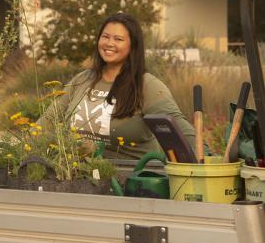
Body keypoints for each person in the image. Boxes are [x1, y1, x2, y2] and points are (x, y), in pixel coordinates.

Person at [40, 12, 195, 159]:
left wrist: (206, 158)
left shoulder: (147, 85)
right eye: (105, 37)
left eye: (118, 39)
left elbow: (179, 127)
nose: (109, 43)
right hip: (81, 175)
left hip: (130, 177)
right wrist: (19, 147)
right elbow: (48, 120)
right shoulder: (82, 79)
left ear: (132, 46)